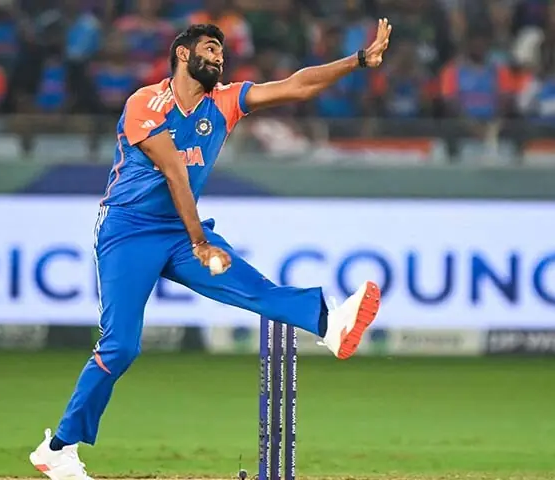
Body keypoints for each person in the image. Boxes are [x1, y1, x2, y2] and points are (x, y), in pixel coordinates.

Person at [29, 19, 392, 480]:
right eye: (209, 49)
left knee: (253, 288)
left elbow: (297, 86)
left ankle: (327, 322)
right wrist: (200, 242)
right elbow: (175, 174)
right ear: (183, 55)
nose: (219, 57)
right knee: (120, 347)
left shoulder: (224, 101)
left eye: (222, 51)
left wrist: (358, 60)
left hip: (180, 230)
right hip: (128, 230)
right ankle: (58, 449)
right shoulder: (145, 102)